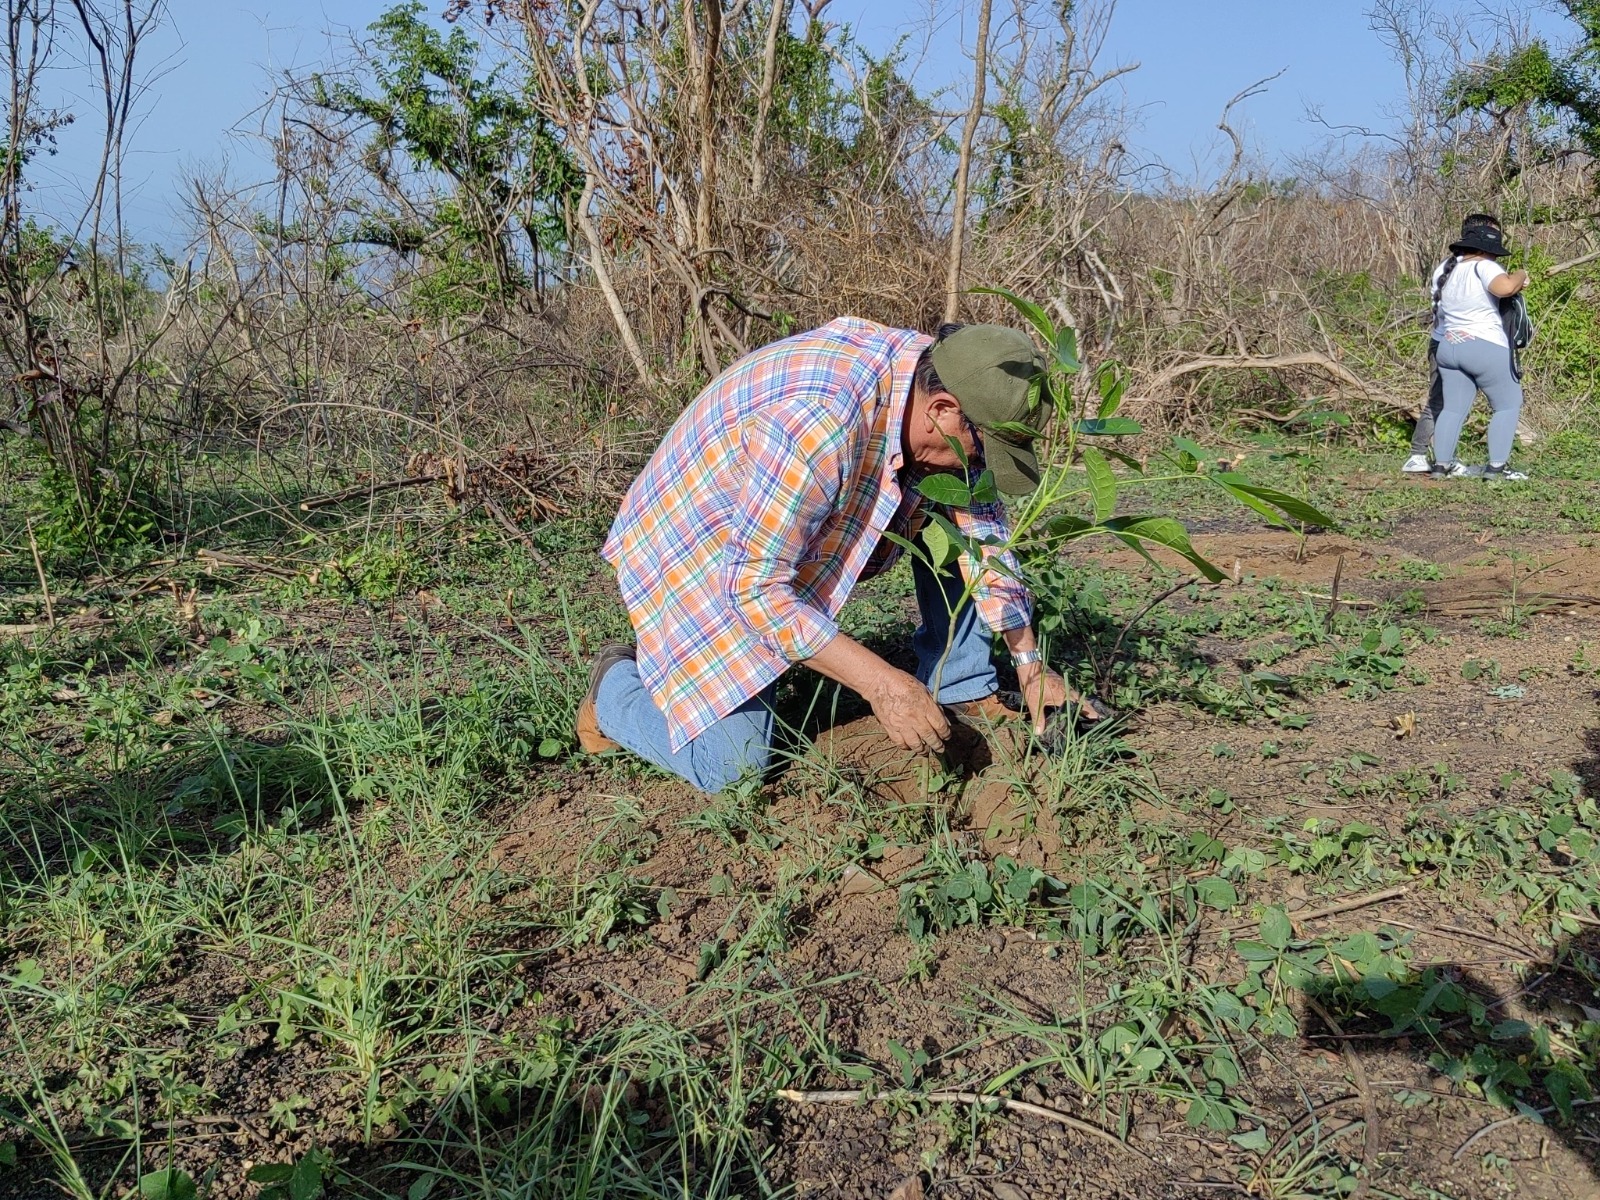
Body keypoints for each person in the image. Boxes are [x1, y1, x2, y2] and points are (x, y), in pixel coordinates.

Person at [576, 318, 1103, 793]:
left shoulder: (951, 377)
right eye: (985, 448)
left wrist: (1030, 666)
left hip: (778, 521)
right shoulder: (820, 423)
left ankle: (962, 683)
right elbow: (754, 588)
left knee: (950, 500)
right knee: (731, 765)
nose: (982, 463)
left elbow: (983, 530)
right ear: (942, 413)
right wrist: (883, 685)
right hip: (698, 540)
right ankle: (614, 689)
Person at [1426, 223, 1530, 481]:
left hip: (1450, 346)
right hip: (1482, 344)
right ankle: (1496, 468)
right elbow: (1505, 288)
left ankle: (1441, 466)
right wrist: (1520, 274)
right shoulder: (1484, 265)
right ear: (1486, 250)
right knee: (1507, 405)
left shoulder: (1449, 270)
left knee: (1453, 408)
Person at [1402, 212, 1503, 474]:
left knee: (1443, 401)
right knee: (1450, 403)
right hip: (1461, 340)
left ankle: (1426, 455)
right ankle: (1427, 455)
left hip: (1442, 341)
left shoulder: (1446, 266)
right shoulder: (1473, 267)